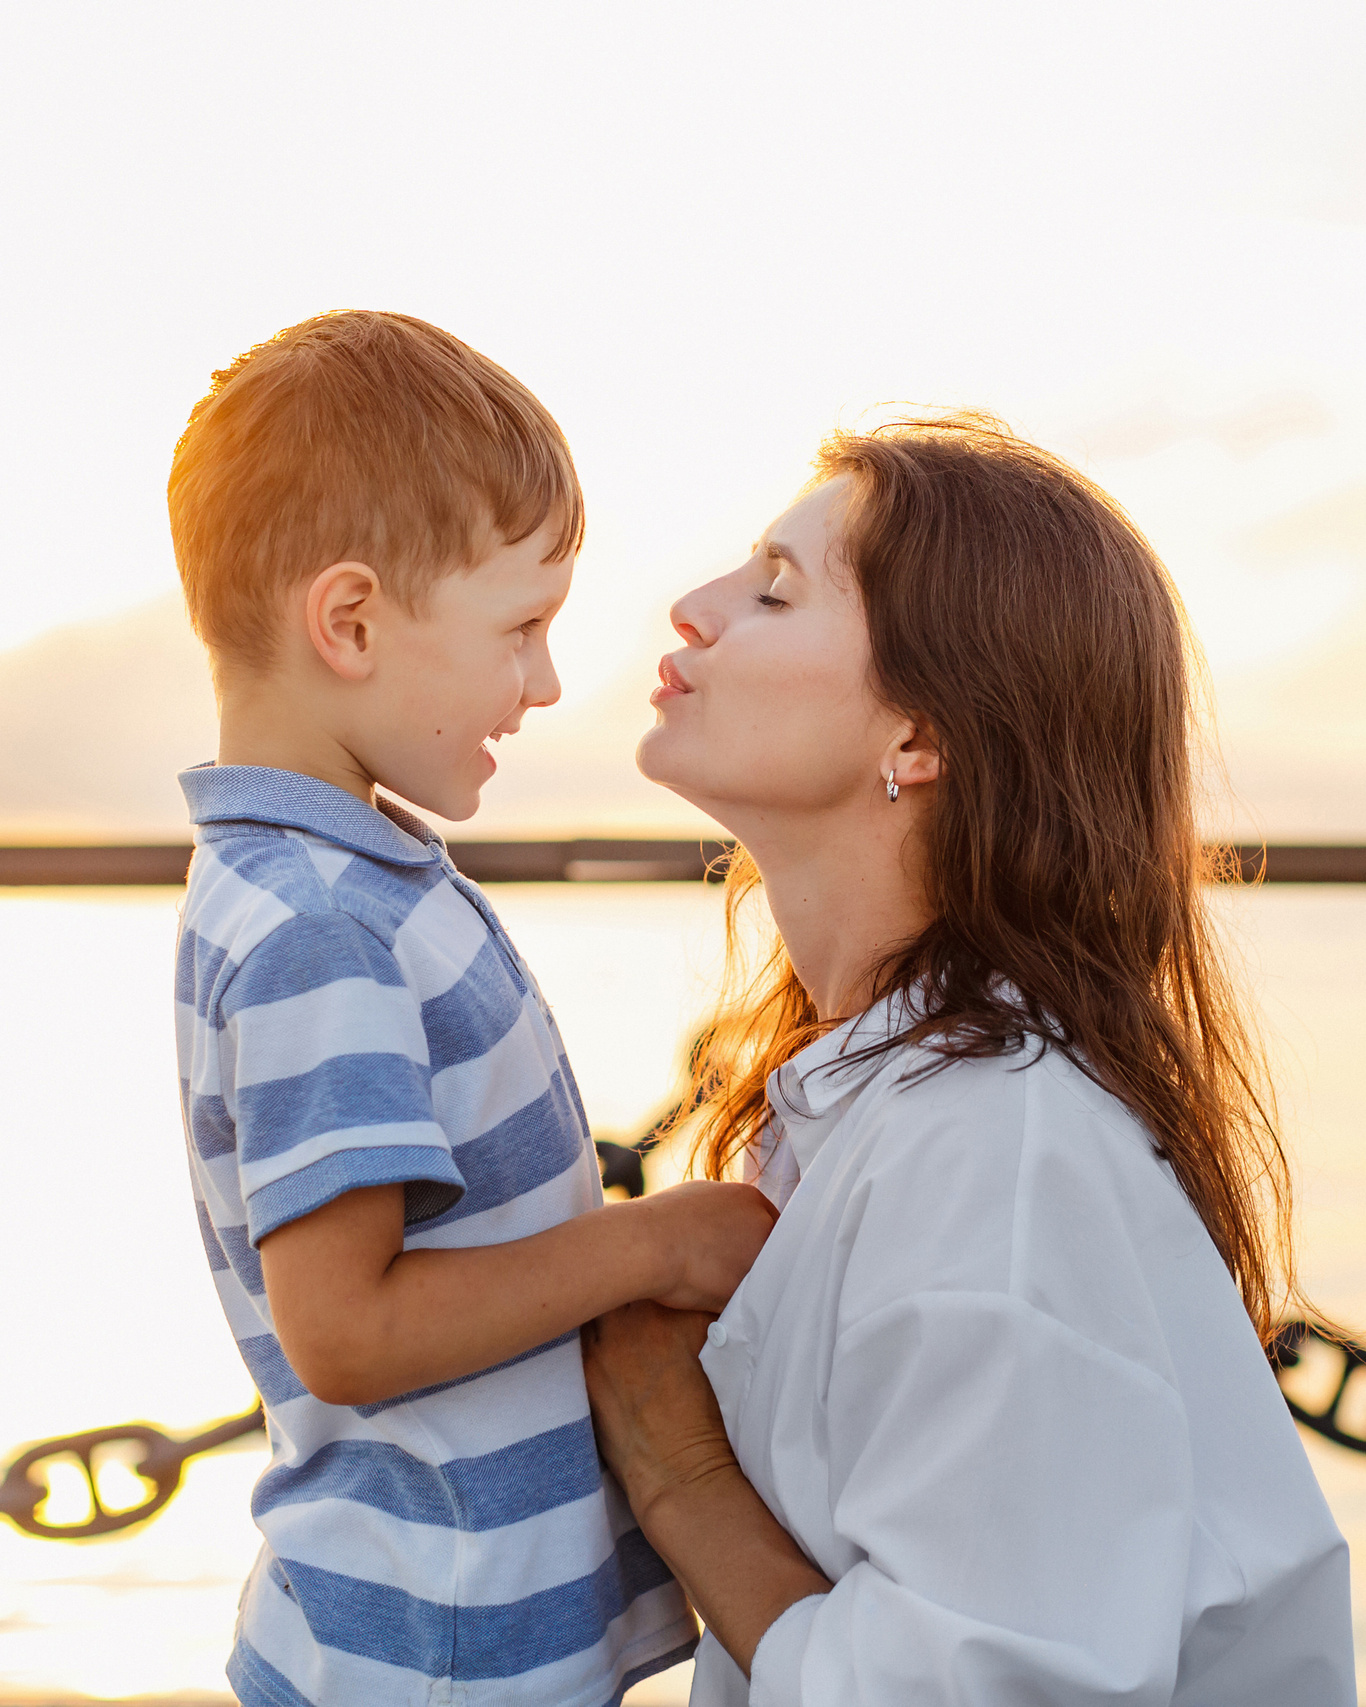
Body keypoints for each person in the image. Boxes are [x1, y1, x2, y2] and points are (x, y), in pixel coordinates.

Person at [583, 417, 1357, 1705]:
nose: (695, 609)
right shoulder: (898, 1106)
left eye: (775, 591)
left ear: (919, 740)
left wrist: (679, 1469)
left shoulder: (991, 1151)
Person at [166, 311, 776, 1707]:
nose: (545, 682)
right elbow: (350, 1333)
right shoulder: (323, 926)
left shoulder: (343, 875)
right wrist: (651, 1246)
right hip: (431, 1653)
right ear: (351, 621)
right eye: (521, 627)